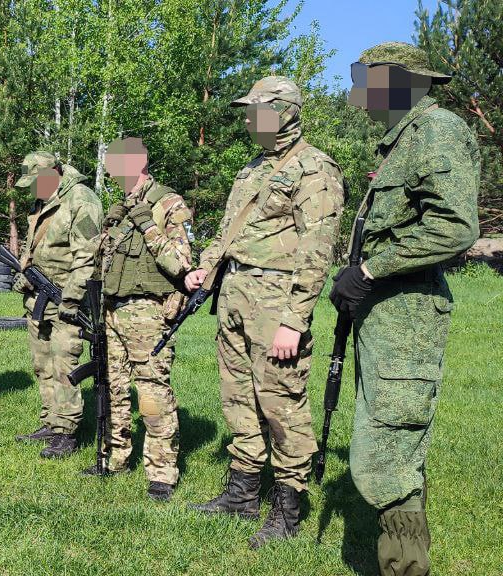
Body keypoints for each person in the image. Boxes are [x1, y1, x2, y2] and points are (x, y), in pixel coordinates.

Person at [333, 42, 479, 576]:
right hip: (388, 315)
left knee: (387, 454)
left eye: (367, 81)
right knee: (382, 440)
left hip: (408, 318)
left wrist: (370, 270)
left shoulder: (437, 130)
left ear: (400, 82)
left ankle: (405, 568)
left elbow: (456, 226)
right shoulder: (403, 141)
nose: (359, 93)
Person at [185, 76, 344, 549]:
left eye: (260, 112)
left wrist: (295, 319)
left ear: (287, 112)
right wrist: (206, 267)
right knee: (238, 396)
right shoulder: (254, 167)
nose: (252, 121)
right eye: (249, 113)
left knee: (281, 402)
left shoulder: (315, 169)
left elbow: (318, 251)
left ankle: (288, 507)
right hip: (235, 293)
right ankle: (242, 493)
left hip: (277, 302)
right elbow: (229, 231)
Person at [92, 137, 193, 501]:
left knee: (150, 390)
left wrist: (147, 225)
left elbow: (181, 262)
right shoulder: (121, 207)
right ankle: (115, 457)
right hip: (113, 309)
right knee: (114, 386)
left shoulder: (168, 202)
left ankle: (162, 473)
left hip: (149, 311)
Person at [11, 151, 103, 459]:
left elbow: (87, 255)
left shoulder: (81, 199)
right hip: (39, 297)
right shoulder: (44, 201)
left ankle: (66, 431)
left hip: (67, 298)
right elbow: (34, 246)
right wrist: (24, 274)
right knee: (43, 363)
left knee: (65, 363)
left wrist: (73, 297)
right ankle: (51, 420)